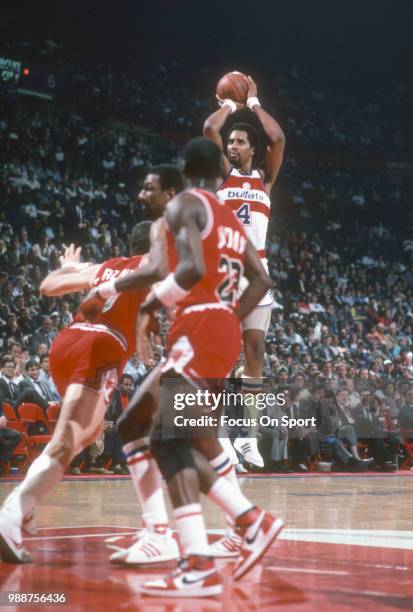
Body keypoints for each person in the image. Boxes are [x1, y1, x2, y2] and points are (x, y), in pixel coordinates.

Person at [101, 138, 282, 597]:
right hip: (219, 329)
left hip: (197, 328)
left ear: (183, 170)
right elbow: (262, 280)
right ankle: (239, 523)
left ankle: (202, 556)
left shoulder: (186, 202)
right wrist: (230, 317)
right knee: (134, 424)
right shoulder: (231, 218)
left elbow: (189, 269)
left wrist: (148, 304)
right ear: (219, 173)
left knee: (169, 439)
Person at [0, 223, 151, 564]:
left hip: (65, 346)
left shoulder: (107, 267)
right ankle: (11, 513)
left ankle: (25, 506)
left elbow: (48, 286)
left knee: (90, 432)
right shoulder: (156, 264)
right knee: (68, 440)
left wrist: (71, 269)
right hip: (102, 347)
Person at [203, 75, 285, 468]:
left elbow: (279, 138)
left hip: (259, 270)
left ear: (253, 148)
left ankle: (248, 440)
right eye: (231, 142)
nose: (233, 146)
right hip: (226, 269)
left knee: (255, 352)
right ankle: (220, 438)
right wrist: (229, 104)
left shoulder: (264, 180)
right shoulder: (223, 175)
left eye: (239, 142)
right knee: (222, 353)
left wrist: (254, 102)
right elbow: (209, 129)